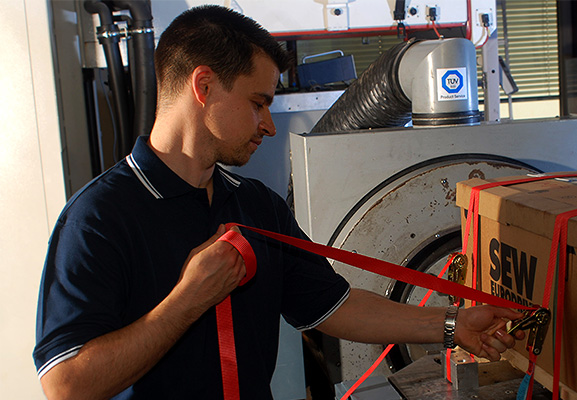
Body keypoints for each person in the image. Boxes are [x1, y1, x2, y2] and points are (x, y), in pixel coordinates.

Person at [34, 5, 524, 399]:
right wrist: (188, 300)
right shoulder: (99, 219)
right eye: (257, 103)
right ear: (203, 87)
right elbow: (66, 384)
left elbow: (335, 305)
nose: (268, 125)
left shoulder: (255, 206)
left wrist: (454, 324)